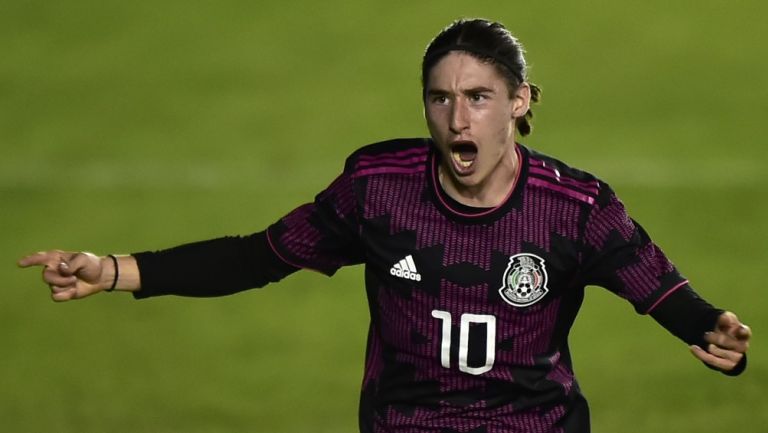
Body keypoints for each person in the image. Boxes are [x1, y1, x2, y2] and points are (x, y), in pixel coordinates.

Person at [18, 18, 751, 433]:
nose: (457, 119)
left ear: (522, 102)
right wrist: (115, 269)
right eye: (440, 99)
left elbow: (657, 289)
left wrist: (710, 331)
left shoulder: (575, 207)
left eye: (480, 97)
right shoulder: (377, 191)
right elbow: (259, 256)